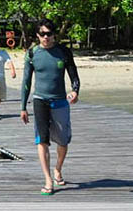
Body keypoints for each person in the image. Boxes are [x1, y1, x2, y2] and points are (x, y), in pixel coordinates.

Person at [20, 19, 80, 196]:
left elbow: (74, 76)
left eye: (49, 34)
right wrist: (23, 107)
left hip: (60, 102)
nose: (46, 37)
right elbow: (26, 82)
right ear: (37, 35)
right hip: (40, 101)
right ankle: (47, 180)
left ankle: (58, 169)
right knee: (42, 140)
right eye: (42, 34)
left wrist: (75, 92)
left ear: (54, 34)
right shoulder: (32, 53)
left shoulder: (63, 52)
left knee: (63, 141)